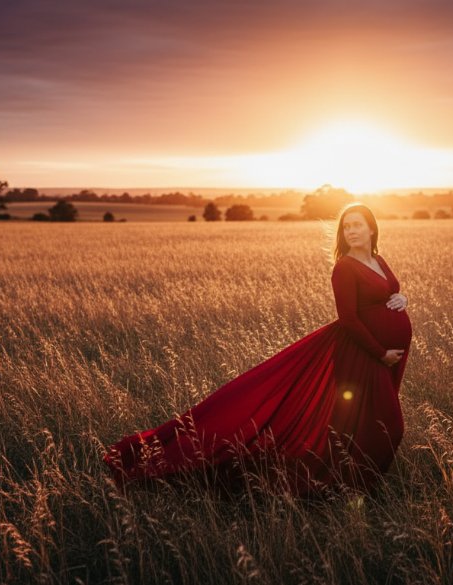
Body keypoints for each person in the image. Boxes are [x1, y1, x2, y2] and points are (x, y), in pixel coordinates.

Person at [103, 202, 412, 495]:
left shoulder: (377, 259)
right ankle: (346, 485)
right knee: (389, 426)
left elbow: (390, 291)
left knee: (365, 423)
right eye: (347, 227)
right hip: (362, 354)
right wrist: (379, 352)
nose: (352, 231)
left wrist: (402, 300)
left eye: (358, 225)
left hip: (383, 355)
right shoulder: (345, 267)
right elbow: (348, 318)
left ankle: (353, 483)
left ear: (372, 228)